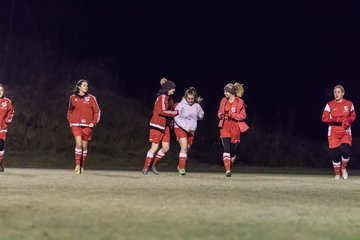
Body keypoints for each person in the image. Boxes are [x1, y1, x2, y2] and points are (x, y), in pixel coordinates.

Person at [142, 78, 178, 175]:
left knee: (166, 148)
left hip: (165, 126)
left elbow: (170, 109)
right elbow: (162, 111)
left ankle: (152, 164)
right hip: (157, 125)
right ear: (168, 88)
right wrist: (175, 113)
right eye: (173, 88)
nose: (174, 90)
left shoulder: (169, 98)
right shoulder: (162, 97)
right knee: (154, 147)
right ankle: (146, 167)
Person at [321, 85, 356, 180]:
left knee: (346, 151)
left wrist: (348, 121)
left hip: (345, 131)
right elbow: (324, 118)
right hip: (333, 133)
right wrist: (337, 120)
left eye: (338, 92)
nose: (336, 94)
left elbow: (353, 115)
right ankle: (337, 174)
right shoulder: (329, 105)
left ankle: (343, 168)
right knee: (335, 154)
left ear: (343, 93)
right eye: (335, 92)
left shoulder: (349, 104)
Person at [67, 79, 101, 174]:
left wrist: (93, 122)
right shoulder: (73, 98)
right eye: (84, 85)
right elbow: (69, 110)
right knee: (79, 144)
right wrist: (71, 121)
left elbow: (97, 111)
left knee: (84, 147)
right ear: (79, 87)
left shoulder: (91, 98)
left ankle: (82, 164)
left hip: (87, 125)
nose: (86, 87)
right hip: (76, 125)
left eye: (87, 85)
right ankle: (77, 165)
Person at [217, 83, 249, 177]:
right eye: (224, 91)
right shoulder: (223, 100)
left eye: (226, 91)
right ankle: (227, 170)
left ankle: (230, 165)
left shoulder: (240, 102)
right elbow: (219, 111)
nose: (224, 93)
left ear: (231, 92)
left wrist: (232, 114)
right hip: (225, 126)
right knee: (226, 148)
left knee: (232, 150)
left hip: (235, 127)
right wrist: (220, 115)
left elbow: (243, 116)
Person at [174, 87, 204, 176]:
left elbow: (201, 117)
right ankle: (182, 169)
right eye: (188, 99)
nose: (190, 100)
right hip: (180, 128)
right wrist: (186, 127)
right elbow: (176, 117)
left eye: (192, 99)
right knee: (183, 147)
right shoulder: (181, 105)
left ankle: (180, 165)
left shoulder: (197, 105)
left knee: (186, 148)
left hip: (191, 130)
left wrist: (199, 112)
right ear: (185, 97)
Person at [0, 84, 14, 172]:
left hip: (2, 127)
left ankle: (0, 163)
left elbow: (11, 111)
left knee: (0, 145)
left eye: (1, 90)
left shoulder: (7, 101)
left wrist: (7, 120)